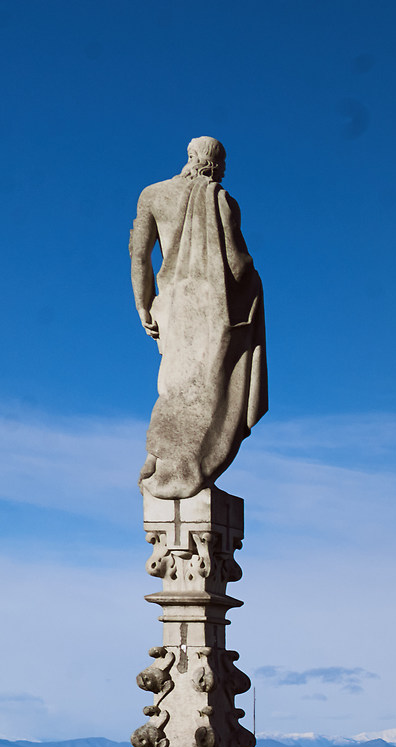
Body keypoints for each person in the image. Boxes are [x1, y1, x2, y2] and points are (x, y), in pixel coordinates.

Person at [129, 137, 267, 497]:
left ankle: (159, 457)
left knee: (175, 383)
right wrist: (255, 287)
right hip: (213, 307)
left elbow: (140, 257)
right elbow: (237, 266)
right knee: (209, 386)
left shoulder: (153, 195)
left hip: (172, 305)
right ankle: (190, 465)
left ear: (189, 157)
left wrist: (143, 304)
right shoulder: (223, 201)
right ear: (218, 165)